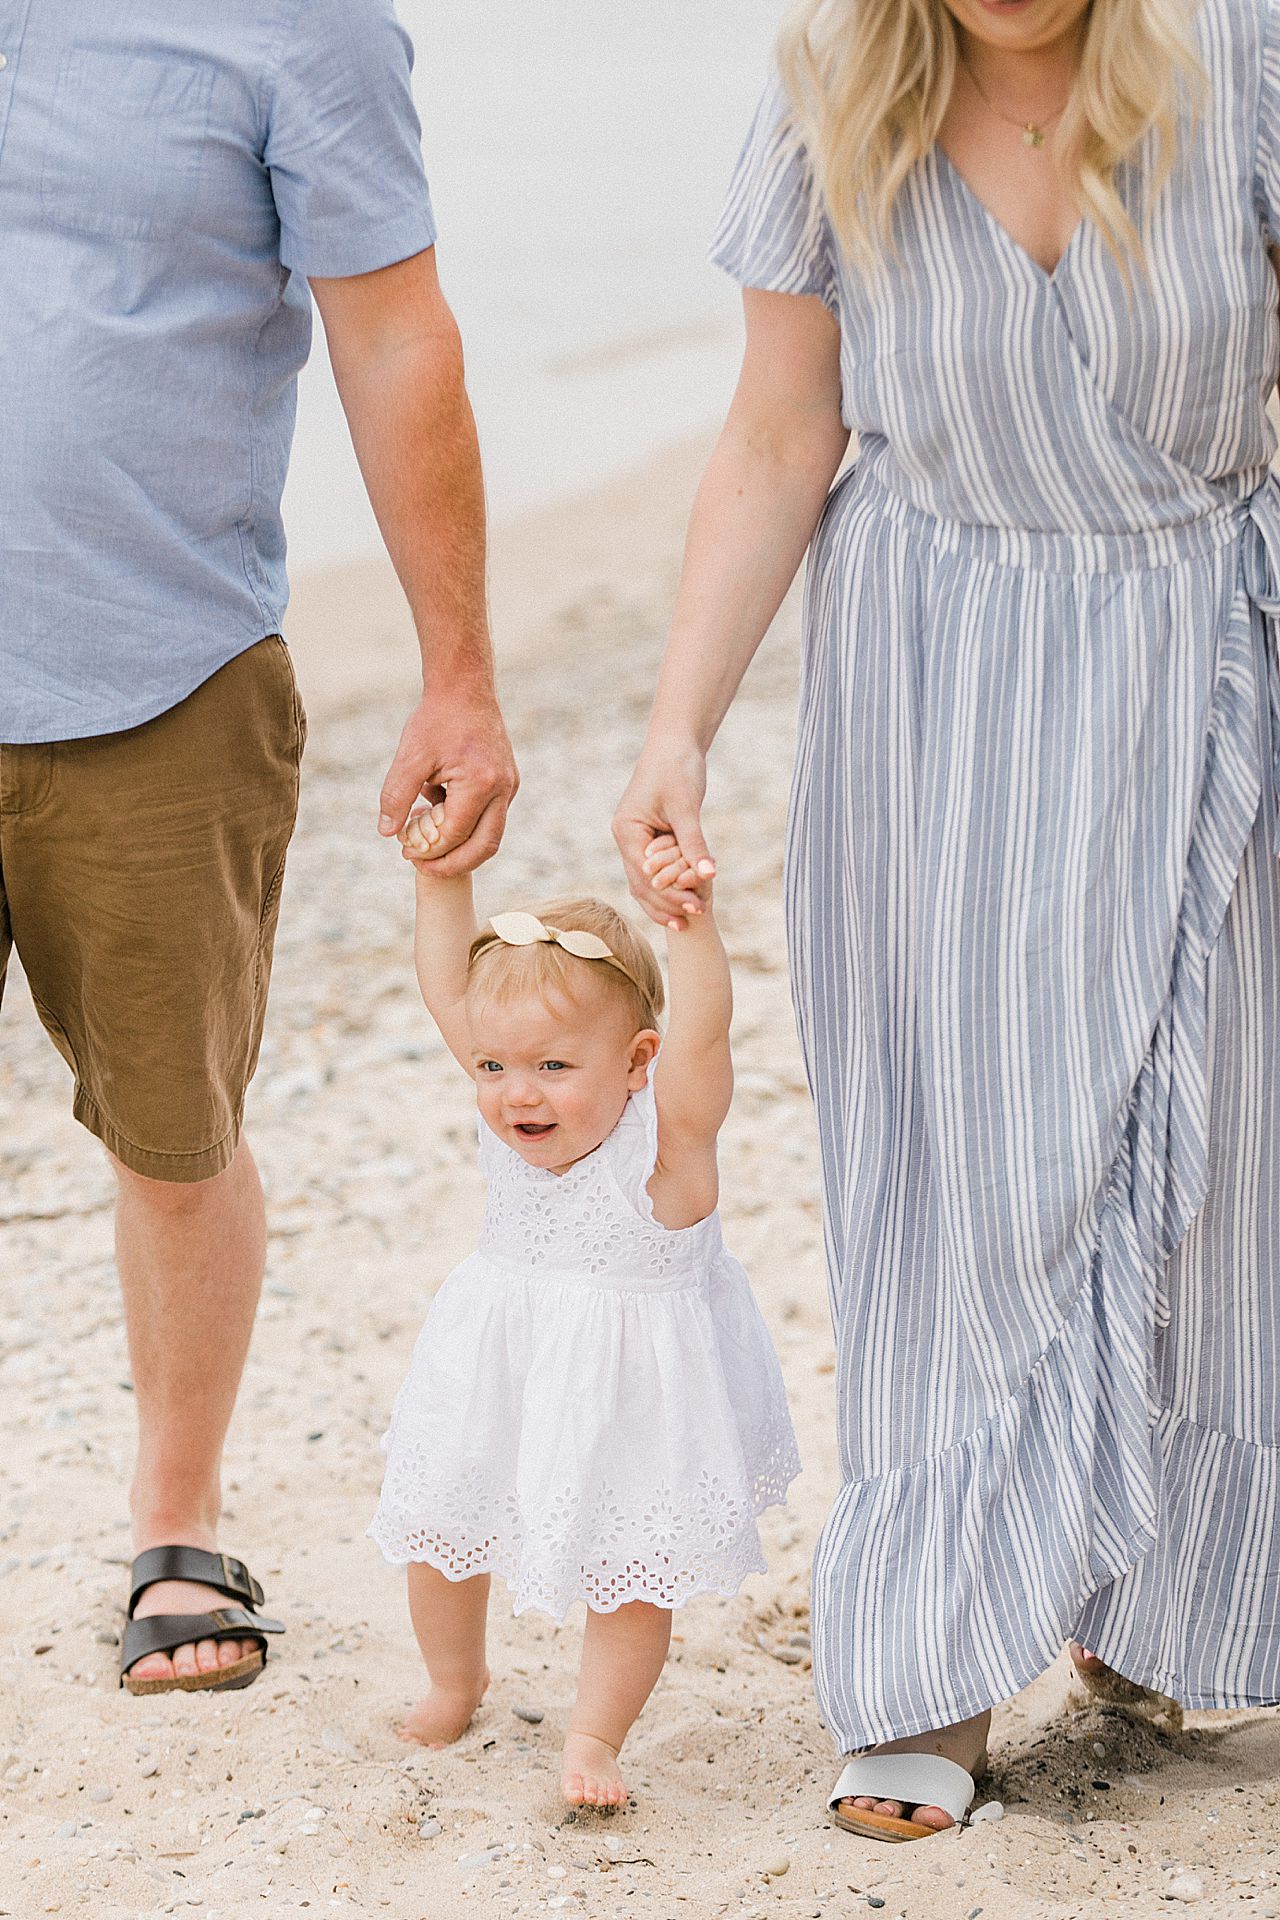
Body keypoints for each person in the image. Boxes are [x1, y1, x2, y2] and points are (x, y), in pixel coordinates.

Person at [615, 0, 1280, 1843]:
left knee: (1217, 1153)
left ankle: (1162, 1606)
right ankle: (934, 1664)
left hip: (1207, 641)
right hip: (936, 684)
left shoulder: (1251, 58)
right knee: (958, 1169)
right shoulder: (829, 92)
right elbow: (775, 437)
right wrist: (681, 724)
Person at [0, 1, 516, 1694]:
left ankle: (177, 1525)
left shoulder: (303, 31)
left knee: (172, 1127)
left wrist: (458, 672)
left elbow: (395, 341)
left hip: (159, 677)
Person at [367, 803, 800, 1806]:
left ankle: (593, 1738)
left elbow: (706, 1038)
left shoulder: (666, 1154)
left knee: (631, 1567)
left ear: (637, 1063)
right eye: (494, 1067)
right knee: (441, 1521)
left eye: (553, 1068)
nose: (518, 1095)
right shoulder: (507, 1117)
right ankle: (453, 1677)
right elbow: (447, 992)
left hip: (630, 1402)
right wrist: (441, 882)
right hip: (497, 1368)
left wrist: (688, 927)